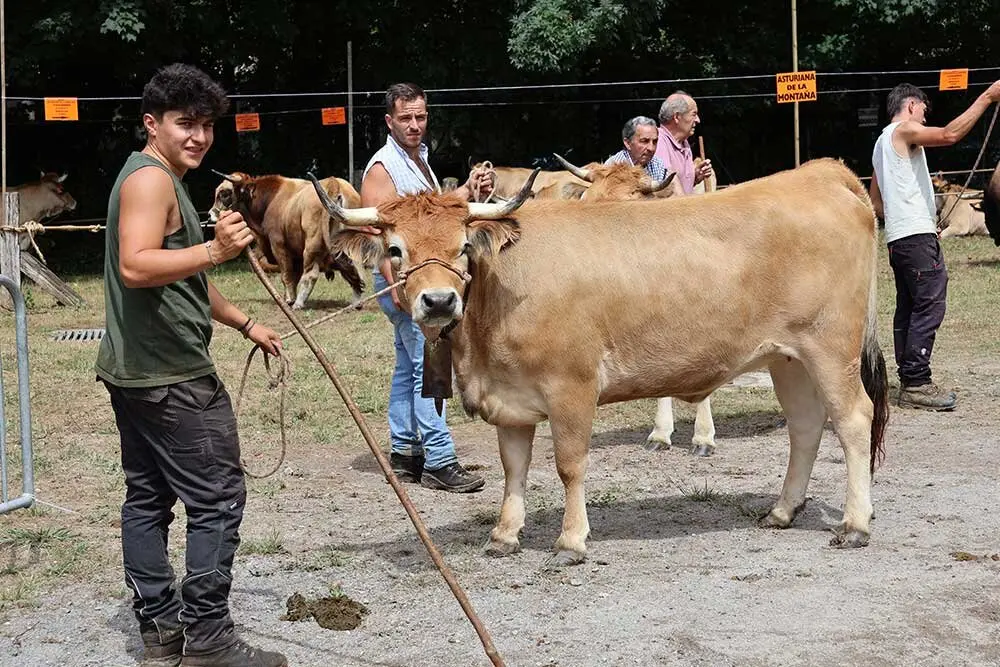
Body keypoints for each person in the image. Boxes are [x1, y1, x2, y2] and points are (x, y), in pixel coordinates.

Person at [95, 63, 287, 667]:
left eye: (206, 125)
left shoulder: (159, 176)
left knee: (147, 498)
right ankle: (208, 639)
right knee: (218, 498)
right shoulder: (151, 181)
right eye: (186, 123)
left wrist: (245, 323)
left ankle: (161, 632)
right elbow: (136, 265)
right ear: (152, 123)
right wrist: (216, 248)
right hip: (171, 376)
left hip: (135, 372)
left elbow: (183, 279)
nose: (199, 136)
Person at [360, 82, 491, 493]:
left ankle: (404, 452)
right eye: (405, 118)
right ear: (389, 121)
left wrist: (466, 191)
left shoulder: (419, 159)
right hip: (407, 282)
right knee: (430, 365)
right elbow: (377, 235)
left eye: (420, 116)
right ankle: (439, 459)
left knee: (407, 366)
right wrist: (395, 286)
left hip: (417, 278)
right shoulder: (382, 168)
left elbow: (429, 217)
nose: (414, 125)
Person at [869, 81, 1000, 410]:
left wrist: (905, 222)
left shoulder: (880, 144)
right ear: (911, 105)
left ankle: (909, 379)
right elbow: (949, 135)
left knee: (909, 307)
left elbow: (875, 201)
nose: (924, 119)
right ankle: (917, 383)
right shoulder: (903, 130)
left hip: (898, 239)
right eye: (923, 112)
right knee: (930, 304)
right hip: (915, 238)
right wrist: (987, 97)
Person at [654, 90, 714, 195]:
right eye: (694, 114)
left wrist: (695, 178)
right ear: (677, 117)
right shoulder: (658, 141)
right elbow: (670, 187)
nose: (698, 120)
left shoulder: (684, 144)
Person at [604, 116, 668, 180]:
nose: (651, 148)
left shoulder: (658, 165)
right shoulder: (611, 168)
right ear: (627, 143)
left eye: (655, 142)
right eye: (644, 141)